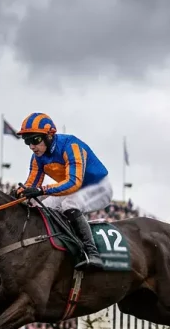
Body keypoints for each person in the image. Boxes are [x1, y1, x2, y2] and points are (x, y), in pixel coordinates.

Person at [15, 113, 113, 270]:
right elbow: (31, 183)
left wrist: (41, 190)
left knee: (69, 205)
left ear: (49, 135)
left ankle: (93, 254)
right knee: (41, 209)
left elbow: (74, 183)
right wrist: (19, 193)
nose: (32, 146)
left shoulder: (71, 146)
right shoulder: (37, 157)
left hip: (98, 187)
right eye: (27, 141)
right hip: (74, 189)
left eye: (35, 140)